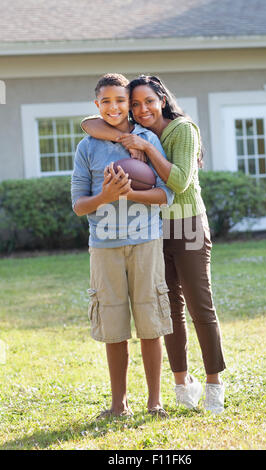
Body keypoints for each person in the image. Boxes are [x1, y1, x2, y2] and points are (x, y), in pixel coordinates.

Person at [81, 75, 226, 414]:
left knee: (199, 306)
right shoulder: (137, 130)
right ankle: (181, 382)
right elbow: (88, 123)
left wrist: (144, 146)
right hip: (156, 228)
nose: (141, 109)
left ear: (162, 99)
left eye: (148, 101)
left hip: (188, 224)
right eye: (135, 104)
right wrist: (125, 137)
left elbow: (178, 181)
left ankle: (214, 384)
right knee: (169, 307)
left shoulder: (181, 129)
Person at [71, 73, 174, 418]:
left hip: (145, 241)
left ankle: (154, 401)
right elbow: (79, 205)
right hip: (104, 246)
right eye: (106, 101)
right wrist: (106, 196)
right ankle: (119, 404)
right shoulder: (87, 147)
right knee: (114, 327)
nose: (113, 107)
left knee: (150, 323)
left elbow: (165, 194)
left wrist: (131, 194)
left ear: (128, 104)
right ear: (97, 105)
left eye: (120, 100)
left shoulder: (146, 139)